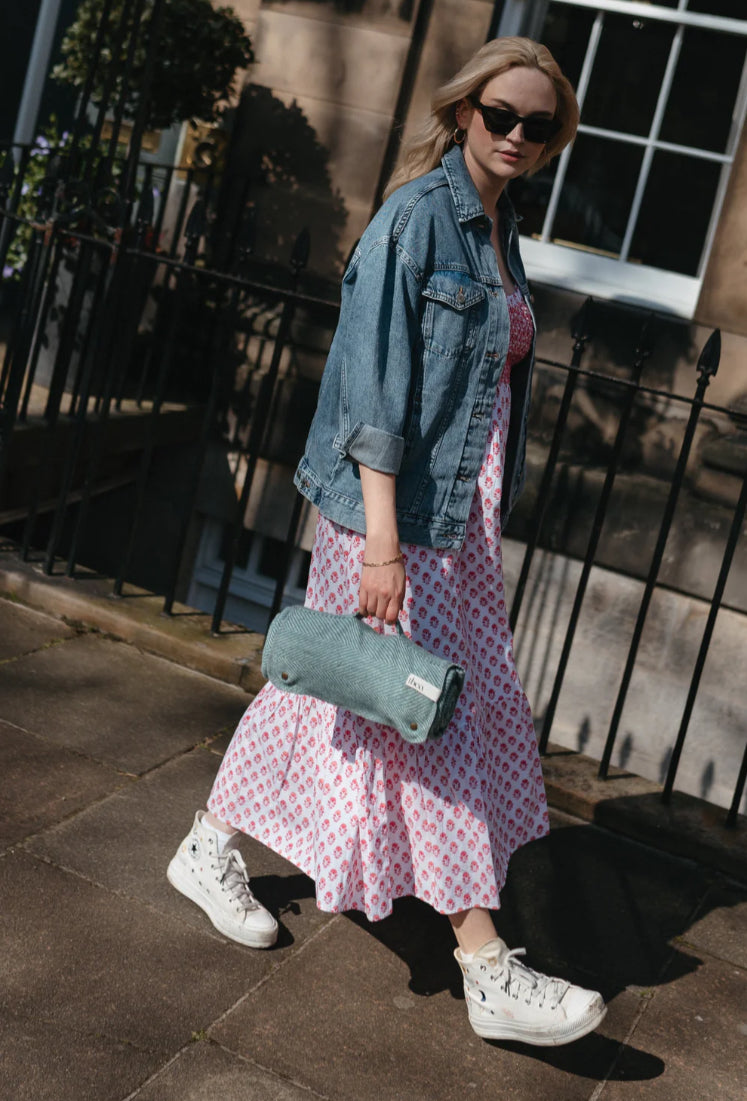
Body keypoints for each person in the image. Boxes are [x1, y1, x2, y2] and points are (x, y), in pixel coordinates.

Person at [168, 36, 606, 1047]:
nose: (518, 137)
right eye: (502, 115)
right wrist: (379, 546)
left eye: (540, 126)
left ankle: (206, 846)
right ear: (464, 112)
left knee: (337, 685)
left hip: (459, 522)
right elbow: (371, 395)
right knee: (422, 710)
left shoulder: (502, 234)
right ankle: (487, 964)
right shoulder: (416, 221)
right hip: (396, 520)